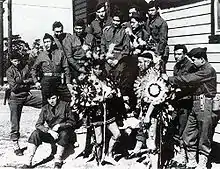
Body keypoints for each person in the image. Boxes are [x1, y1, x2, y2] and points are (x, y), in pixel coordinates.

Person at [168, 47, 219, 169]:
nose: (193, 62)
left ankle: (202, 163)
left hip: (205, 105)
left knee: (204, 136)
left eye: (194, 59)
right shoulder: (199, 69)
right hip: (196, 104)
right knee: (188, 134)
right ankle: (192, 161)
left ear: (202, 59)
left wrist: (170, 79)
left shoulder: (208, 70)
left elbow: (188, 79)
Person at [21, 92, 76, 169]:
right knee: (35, 133)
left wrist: (60, 125)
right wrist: (49, 131)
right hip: (51, 133)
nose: (51, 101)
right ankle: (28, 162)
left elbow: (72, 122)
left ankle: (58, 160)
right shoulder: (45, 108)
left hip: (63, 133)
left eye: (53, 98)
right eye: (49, 99)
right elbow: (38, 124)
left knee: (64, 134)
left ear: (58, 97)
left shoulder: (65, 105)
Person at [6, 51, 42, 156]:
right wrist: (26, 82)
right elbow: (14, 87)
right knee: (15, 121)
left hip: (26, 96)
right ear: (11, 61)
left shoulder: (25, 67)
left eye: (18, 60)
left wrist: (23, 82)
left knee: (44, 102)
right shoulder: (9, 71)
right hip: (15, 98)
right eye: (14, 61)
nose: (17, 62)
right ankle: (15, 145)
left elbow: (33, 78)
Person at [168, 44, 196, 168]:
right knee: (176, 127)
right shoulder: (176, 66)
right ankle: (179, 154)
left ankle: (185, 157)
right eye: (175, 54)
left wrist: (179, 90)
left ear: (184, 54)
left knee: (184, 129)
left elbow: (191, 84)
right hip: (177, 101)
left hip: (186, 101)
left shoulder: (190, 67)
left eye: (179, 54)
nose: (176, 56)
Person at [31, 33, 72, 105]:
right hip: (46, 81)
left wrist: (68, 82)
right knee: (46, 102)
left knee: (68, 98)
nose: (46, 44)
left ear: (53, 42)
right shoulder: (41, 55)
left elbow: (66, 68)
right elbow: (34, 69)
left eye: (48, 42)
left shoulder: (60, 53)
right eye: (45, 42)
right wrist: (36, 81)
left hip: (58, 80)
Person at [145, 0, 169, 73]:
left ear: (157, 9)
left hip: (160, 51)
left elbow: (163, 40)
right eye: (149, 10)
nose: (150, 12)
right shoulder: (148, 21)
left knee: (160, 72)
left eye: (152, 10)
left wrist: (158, 54)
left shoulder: (162, 23)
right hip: (151, 50)